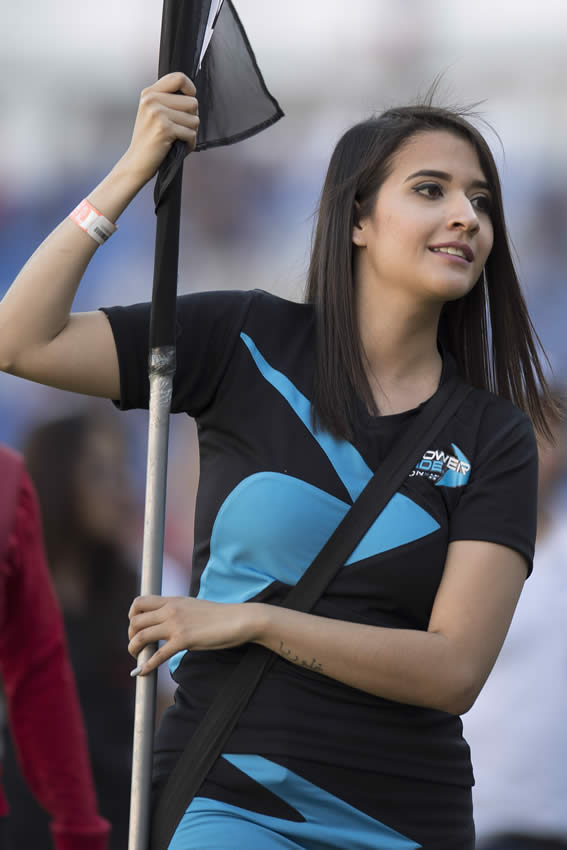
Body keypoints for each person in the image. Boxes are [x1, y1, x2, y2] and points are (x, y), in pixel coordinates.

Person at [0, 71, 559, 849]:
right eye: (430, 190)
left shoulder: (493, 433)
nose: (465, 216)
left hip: (407, 816)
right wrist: (133, 168)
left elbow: (452, 670)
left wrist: (255, 621)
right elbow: (21, 339)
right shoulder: (242, 339)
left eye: (480, 201)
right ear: (356, 218)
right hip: (225, 797)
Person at [462, 406, 567, 850]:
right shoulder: (449, 556)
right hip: (470, 813)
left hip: (552, 818)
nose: (538, 452)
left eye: (551, 436)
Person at [0, 443, 110, 850]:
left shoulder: (7, 485)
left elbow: (39, 674)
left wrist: (79, 828)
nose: (120, 488)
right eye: (101, 472)